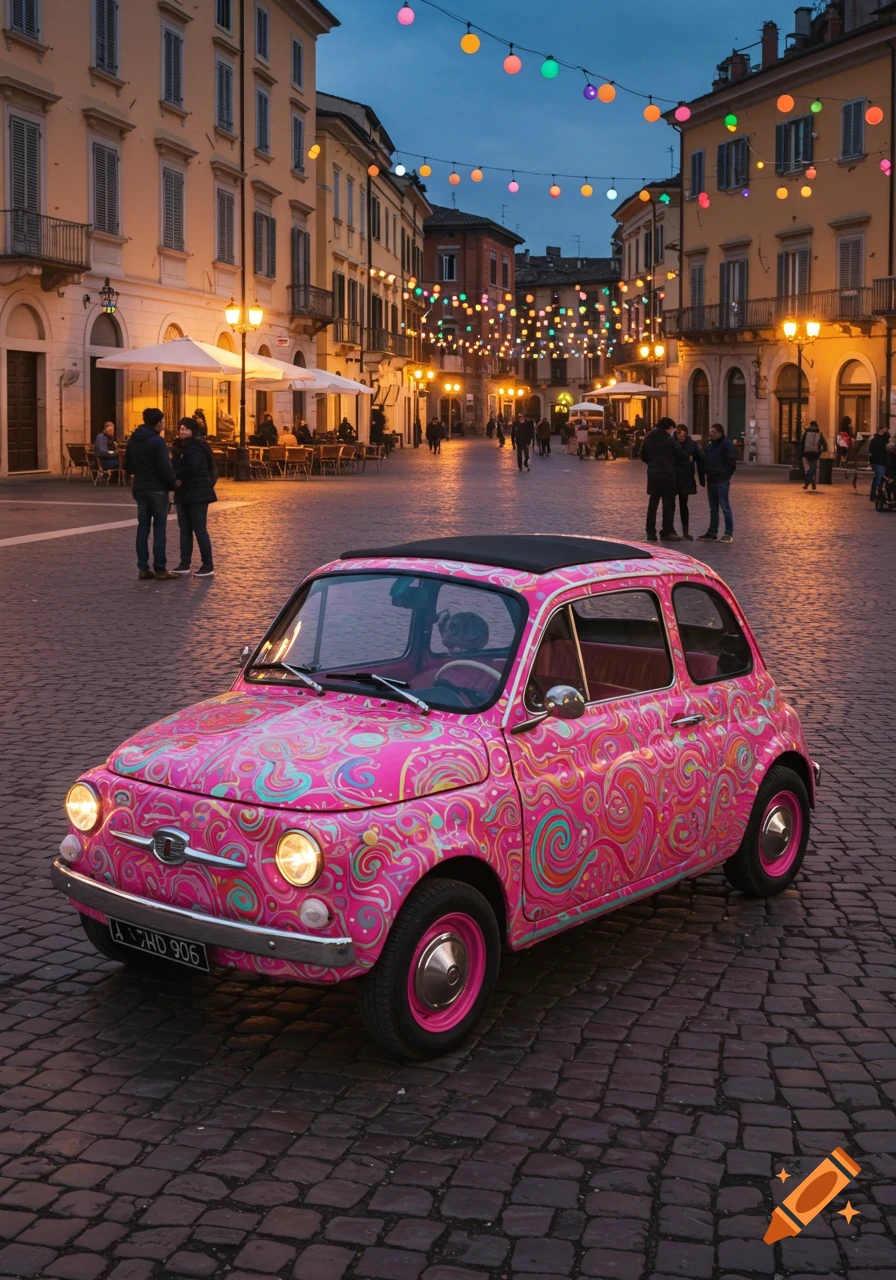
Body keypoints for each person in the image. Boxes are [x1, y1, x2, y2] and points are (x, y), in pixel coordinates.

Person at [124, 408, 178, 580]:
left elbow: (127, 465)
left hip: (140, 488)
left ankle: (143, 568)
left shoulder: (134, 439)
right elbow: (165, 468)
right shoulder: (157, 442)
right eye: (162, 421)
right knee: (159, 529)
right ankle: (160, 568)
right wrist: (172, 485)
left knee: (142, 528)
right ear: (158, 423)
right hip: (157, 489)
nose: (163, 424)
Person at [172, 417, 217, 578]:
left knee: (199, 529)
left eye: (186, 429)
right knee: (185, 530)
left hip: (198, 494)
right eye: (181, 428)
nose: (182, 431)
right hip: (185, 493)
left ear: (193, 431)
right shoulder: (182, 447)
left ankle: (207, 564)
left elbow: (191, 468)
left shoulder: (195, 447)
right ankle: (184, 563)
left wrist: (174, 475)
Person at [640, 416, 686, 542]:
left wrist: (652, 464)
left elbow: (643, 455)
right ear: (669, 428)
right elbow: (681, 454)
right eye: (672, 430)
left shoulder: (649, 437)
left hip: (653, 474)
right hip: (667, 475)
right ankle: (666, 532)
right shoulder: (668, 439)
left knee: (653, 504)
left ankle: (650, 532)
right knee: (668, 504)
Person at [698, 423, 737, 543]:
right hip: (711, 479)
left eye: (713, 432)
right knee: (713, 508)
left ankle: (728, 533)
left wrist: (725, 475)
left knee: (725, 507)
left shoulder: (727, 444)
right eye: (710, 432)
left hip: (721, 480)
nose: (711, 434)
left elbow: (731, 463)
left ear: (720, 432)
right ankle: (712, 532)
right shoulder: (711, 445)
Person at [673, 425, 705, 540]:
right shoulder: (671, 443)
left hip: (686, 479)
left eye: (683, 435)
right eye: (679, 435)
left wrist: (702, 478)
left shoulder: (692, 444)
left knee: (683, 505)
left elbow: (701, 459)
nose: (681, 438)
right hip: (673, 478)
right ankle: (670, 531)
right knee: (670, 505)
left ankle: (685, 532)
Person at [799, 420, 828, 491]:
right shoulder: (819, 434)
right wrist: (821, 451)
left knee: (808, 469)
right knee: (813, 469)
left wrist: (802, 453)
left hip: (806, 453)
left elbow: (802, 443)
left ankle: (807, 483)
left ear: (810, 425)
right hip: (815, 454)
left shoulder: (806, 433)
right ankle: (812, 483)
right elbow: (825, 445)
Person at [869, 424, 890, 502]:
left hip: (883, 462)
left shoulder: (885, 439)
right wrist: (871, 462)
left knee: (879, 479)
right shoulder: (875, 440)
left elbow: (887, 438)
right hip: (877, 462)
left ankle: (876, 495)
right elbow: (871, 452)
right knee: (878, 479)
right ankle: (874, 495)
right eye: (883, 430)